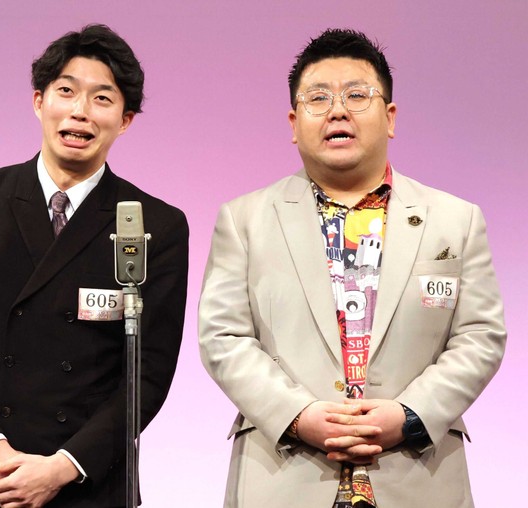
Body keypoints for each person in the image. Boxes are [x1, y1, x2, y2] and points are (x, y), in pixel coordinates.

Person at [198, 28, 505, 508]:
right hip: (284, 475)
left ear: (390, 117)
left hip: (417, 474)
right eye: (318, 98)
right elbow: (223, 337)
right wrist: (299, 414)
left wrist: (409, 415)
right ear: (294, 123)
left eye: (356, 95)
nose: (337, 111)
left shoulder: (456, 220)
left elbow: (480, 336)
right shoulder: (245, 220)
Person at [0, 24, 188, 507]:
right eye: (67, 91)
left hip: (90, 483)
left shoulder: (157, 225)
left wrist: (63, 467)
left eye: (102, 99)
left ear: (125, 120)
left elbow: (148, 372)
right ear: (39, 101)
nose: (81, 111)